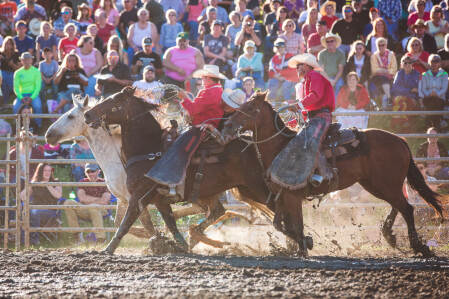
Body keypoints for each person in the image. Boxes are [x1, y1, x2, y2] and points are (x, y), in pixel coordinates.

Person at [269, 53, 335, 190]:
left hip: (320, 116)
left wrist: (298, 106)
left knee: (310, 141)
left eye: (298, 66)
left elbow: (315, 96)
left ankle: (323, 173)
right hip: (314, 117)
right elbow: (308, 104)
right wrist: (297, 113)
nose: (297, 69)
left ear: (305, 66)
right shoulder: (305, 81)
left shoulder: (313, 76)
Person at [63, 163, 111, 244]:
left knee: (93, 207)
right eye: (88, 171)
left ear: (98, 171)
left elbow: (104, 201)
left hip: (101, 210)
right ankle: (77, 235)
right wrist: (98, 199)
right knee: (68, 202)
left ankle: (101, 239)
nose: (91, 173)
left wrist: (88, 200)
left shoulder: (104, 182)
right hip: (84, 209)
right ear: (85, 173)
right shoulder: (82, 182)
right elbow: (82, 198)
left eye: (93, 171)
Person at [21, 163, 62, 246]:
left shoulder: (55, 182)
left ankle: (34, 240)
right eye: (45, 170)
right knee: (26, 212)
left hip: (50, 212)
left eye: (49, 171)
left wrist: (48, 185)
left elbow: (58, 195)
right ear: (39, 172)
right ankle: (24, 240)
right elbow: (22, 197)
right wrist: (29, 185)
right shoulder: (35, 183)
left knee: (34, 212)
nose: (47, 173)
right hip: (34, 210)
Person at [419, 54, 449, 130]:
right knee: (432, 102)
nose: (434, 63)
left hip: (440, 98)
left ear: (440, 63)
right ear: (429, 62)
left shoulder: (445, 74)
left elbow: (444, 88)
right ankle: (437, 125)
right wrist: (429, 94)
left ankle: (429, 124)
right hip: (428, 97)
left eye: (436, 61)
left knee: (435, 102)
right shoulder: (425, 74)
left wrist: (437, 94)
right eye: (432, 61)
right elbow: (423, 88)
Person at [390, 56, 421, 130]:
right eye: (405, 62)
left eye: (409, 62)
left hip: (412, 97)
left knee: (406, 101)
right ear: (401, 64)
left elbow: (417, 89)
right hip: (401, 96)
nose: (407, 64)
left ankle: (398, 123)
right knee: (400, 100)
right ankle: (404, 123)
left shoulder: (416, 74)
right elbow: (395, 88)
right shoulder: (399, 73)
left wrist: (405, 91)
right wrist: (409, 90)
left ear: (412, 64)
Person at [13, 52, 42, 126]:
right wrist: (21, 97)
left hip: (33, 95)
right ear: (21, 61)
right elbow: (16, 88)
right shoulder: (17, 72)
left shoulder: (36, 71)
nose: (26, 61)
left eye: (28, 59)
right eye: (24, 60)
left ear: (31, 60)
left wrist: (31, 97)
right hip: (21, 95)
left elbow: (37, 87)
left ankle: (37, 126)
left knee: (37, 106)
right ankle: (17, 126)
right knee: (16, 107)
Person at [369, 37, 397, 110]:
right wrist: (385, 70)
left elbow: (394, 69)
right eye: (379, 45)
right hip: (377, 77)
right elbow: (374, 70)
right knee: (382, 78)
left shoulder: (391, 55)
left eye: (383, 45)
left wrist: (383, 70)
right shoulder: (374, 56)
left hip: (389, 77)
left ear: (386, 45)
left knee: (385, 79)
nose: (381, 47)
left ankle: (385, 102)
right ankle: (388, 98)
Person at [267, 38, 297, 105]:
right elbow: (270, 72)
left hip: (290, 77)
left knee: (286, 85)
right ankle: (272, 102)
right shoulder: (273, 59)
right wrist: (277, 76)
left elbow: (292, 71)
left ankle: (288, 103)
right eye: (278, 47)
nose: (280, 49)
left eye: (281, 47)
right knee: (272, 82)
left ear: (284, 47)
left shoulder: (290, 56)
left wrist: (282, 75)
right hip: (278, 77)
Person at [318, 32, 345, 96]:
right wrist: (329, 80)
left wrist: (334, 81)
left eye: (331, 41)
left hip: (336, 77)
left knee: (340, 85)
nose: (329, 43)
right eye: (327, 42)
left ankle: (335, 105)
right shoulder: (321, 54)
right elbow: (321, 70)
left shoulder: (341, 54)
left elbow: (340, 70)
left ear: (335, 42)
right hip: (325, 77)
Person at [0, 36, 21, 104]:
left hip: (13, 72)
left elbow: (18, 68)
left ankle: (9, 99)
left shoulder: (16, 54)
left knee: (10, 79)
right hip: (2, 73)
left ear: (12, 45)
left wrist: (12, 65)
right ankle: (5, 102)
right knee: (3, 78)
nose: (8, 45)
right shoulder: (1, 53)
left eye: (10, 44)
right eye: (7, 43)